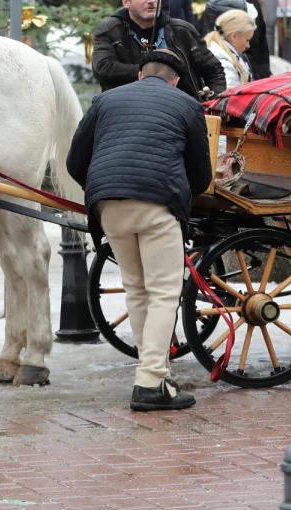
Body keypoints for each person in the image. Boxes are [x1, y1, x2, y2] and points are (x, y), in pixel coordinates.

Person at [66, 49, 213, 412]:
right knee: (163, 293)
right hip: (157, 202)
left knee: (136, 289)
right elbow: (202, 175)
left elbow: (74, 161)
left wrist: (105, 187)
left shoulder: (104, 100)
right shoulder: (187, 105)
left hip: (107, 203)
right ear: (175, 81)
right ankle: (150, 381)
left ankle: (154, 375)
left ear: (140, 75)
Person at [92, 0, 226, 100]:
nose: (151, 0)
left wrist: (214, 102)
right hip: (128, 106)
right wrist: (157, 71)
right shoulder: (110, 29)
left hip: (180, 108)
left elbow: (214, 69)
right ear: (126, 1)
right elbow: (103, 68)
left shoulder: (183, 30)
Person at [204, 9, 256, 90]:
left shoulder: (221, 53)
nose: (248, 45)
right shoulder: (223, 61)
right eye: (247, 40)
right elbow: (230, 95)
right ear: (234, 36)